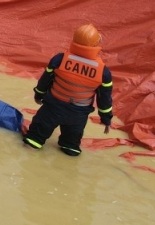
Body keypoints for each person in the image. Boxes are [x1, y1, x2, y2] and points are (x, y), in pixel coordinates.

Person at [23, 24, 113, 157]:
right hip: (78, 115)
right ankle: (68, 149)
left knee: (32, 142)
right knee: (71, 149)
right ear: (95, 45)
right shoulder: (103, 72)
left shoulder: (60, 59)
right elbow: (104, 99)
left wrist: (38, 95)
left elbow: (45, 81)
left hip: (52, 109)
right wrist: (106, 119)